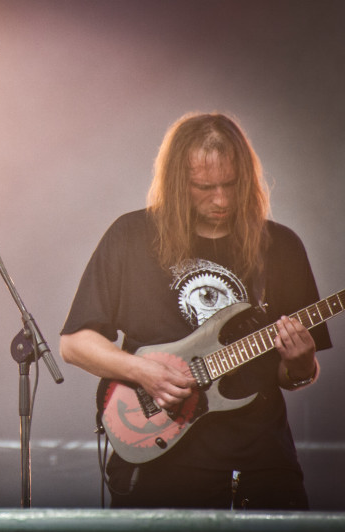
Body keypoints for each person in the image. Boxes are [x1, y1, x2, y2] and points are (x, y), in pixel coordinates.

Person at [59, 112, 332, 510]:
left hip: (262, 464)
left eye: (231, 185)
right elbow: (74, 344)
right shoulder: (131, 237)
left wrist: (301, 363)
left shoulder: (281, 246)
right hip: (159, 466)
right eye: (204, 187)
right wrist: (142, 371)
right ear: (176, 182)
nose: (220, 200)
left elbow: (293, 376)